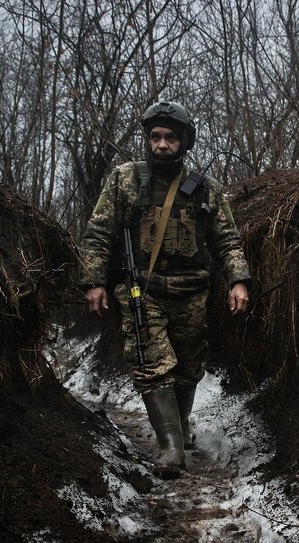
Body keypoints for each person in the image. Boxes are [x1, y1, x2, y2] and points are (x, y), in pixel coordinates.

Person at [79, 100, 251, 478]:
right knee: (152, 365)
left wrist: (238, 279)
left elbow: (227, 239)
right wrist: (93, 281)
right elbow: (98, 235)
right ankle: (171, 447)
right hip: (144, 291)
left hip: (192, 292)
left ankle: (181, 425)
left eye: (170, 138)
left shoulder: (205, 189)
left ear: (184, 142)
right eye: (155, 137)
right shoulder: (125, 179)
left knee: (189, 370)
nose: (161, 144)